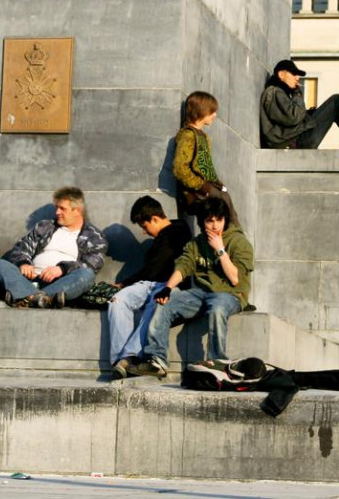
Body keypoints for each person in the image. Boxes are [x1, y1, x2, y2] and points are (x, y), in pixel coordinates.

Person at [130, 197, 253, 378]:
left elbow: (235, 278)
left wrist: (220, 250)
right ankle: (157, 361)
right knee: (164, 302)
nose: (215, 226)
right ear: (202, 222)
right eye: (209, 221)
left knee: (218, 308)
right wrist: (168, 289)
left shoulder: (239, 241)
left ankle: (218, 362)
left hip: (231, 294)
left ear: (225, 220)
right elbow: (184, 266)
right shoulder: (197, 243)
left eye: (219, 220)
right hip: (202, 294)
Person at [106, 196, 191, 379]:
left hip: (166, 285)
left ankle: (130, 357)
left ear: (155, 218)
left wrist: (125, 282)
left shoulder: (178, 231)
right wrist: (122, 285)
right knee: (117, 300)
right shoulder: (161, 237)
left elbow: (155, 269)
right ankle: (120, 360)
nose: (144, 232)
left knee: (155, 304)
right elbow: (149, 270)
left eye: (144, 226)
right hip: (146, 284)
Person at [0, 187, 108, 309]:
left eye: (62, 208)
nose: (57, 212)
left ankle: (28, 298)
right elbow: (21, 248)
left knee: (87, 275)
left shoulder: (95, 237)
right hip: (30, 280)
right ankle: (39, 299)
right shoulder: (45, 226)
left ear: (77, 211)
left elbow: (92, 264)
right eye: (57, 208)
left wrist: (62, 269)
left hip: (61, 283)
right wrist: (23, 263)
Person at [260, 59, 339, 149]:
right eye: (293, 74)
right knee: (336, 102)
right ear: (281, 74)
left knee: (333, 105)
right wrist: (297, 93)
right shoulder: (273, 92)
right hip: (295, 141)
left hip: (295, 138)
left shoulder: (281, 93)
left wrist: (309, 113)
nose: (297, 78)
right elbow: (293, 117)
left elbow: (289, 117)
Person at [173, 91, 238, 222]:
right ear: (201, 111)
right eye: (212, 111)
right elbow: (180, 168)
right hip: (199, 192)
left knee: (231, 220)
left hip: (212, 189)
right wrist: (203, 187)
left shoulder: (203, 136)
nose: (215, 115)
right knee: (225, 224)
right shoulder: (188, 135)